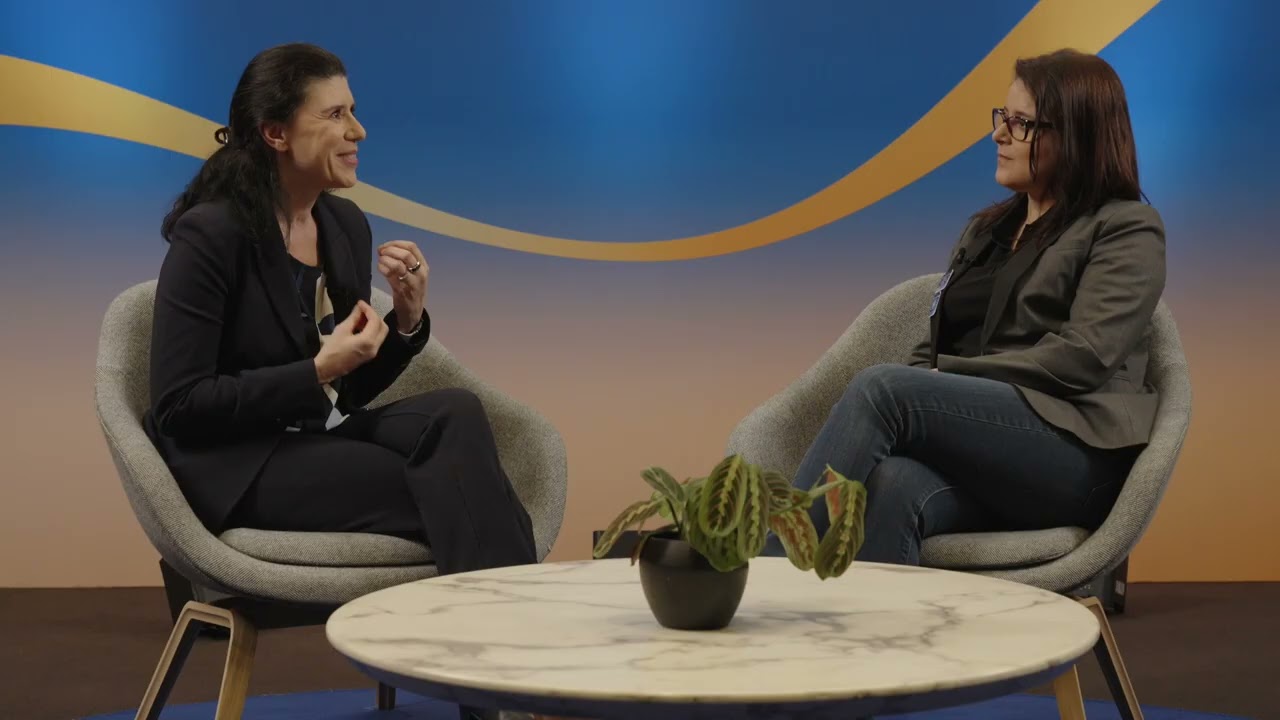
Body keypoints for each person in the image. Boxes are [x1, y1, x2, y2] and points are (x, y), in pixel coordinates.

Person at [144, 43, 537, 576]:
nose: (358, 131)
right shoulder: (211, 235)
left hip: (313, 436)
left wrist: (406, 319)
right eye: (335, 115)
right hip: (237, 463)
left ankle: (486, 631)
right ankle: (506, 636)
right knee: (459, 487)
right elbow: (179, 406)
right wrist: (318, 368)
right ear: (275, 133)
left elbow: (346, 391)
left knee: (456, 411)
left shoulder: (344, 225)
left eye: (352, 111)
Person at [765, 49, 1165, 565]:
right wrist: (935, 379)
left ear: (1074, 135)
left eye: (1020, 123)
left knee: (883, 389)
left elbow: (1083, 357)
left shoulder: (1126, 228)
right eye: (1003, 118)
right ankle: (893, 644)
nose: (999, 135)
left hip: (1075, 454)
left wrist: (948, 380)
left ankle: (766, 575)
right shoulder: (987, 231)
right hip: (989, 454)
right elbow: (932, 346)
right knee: (894, 484)